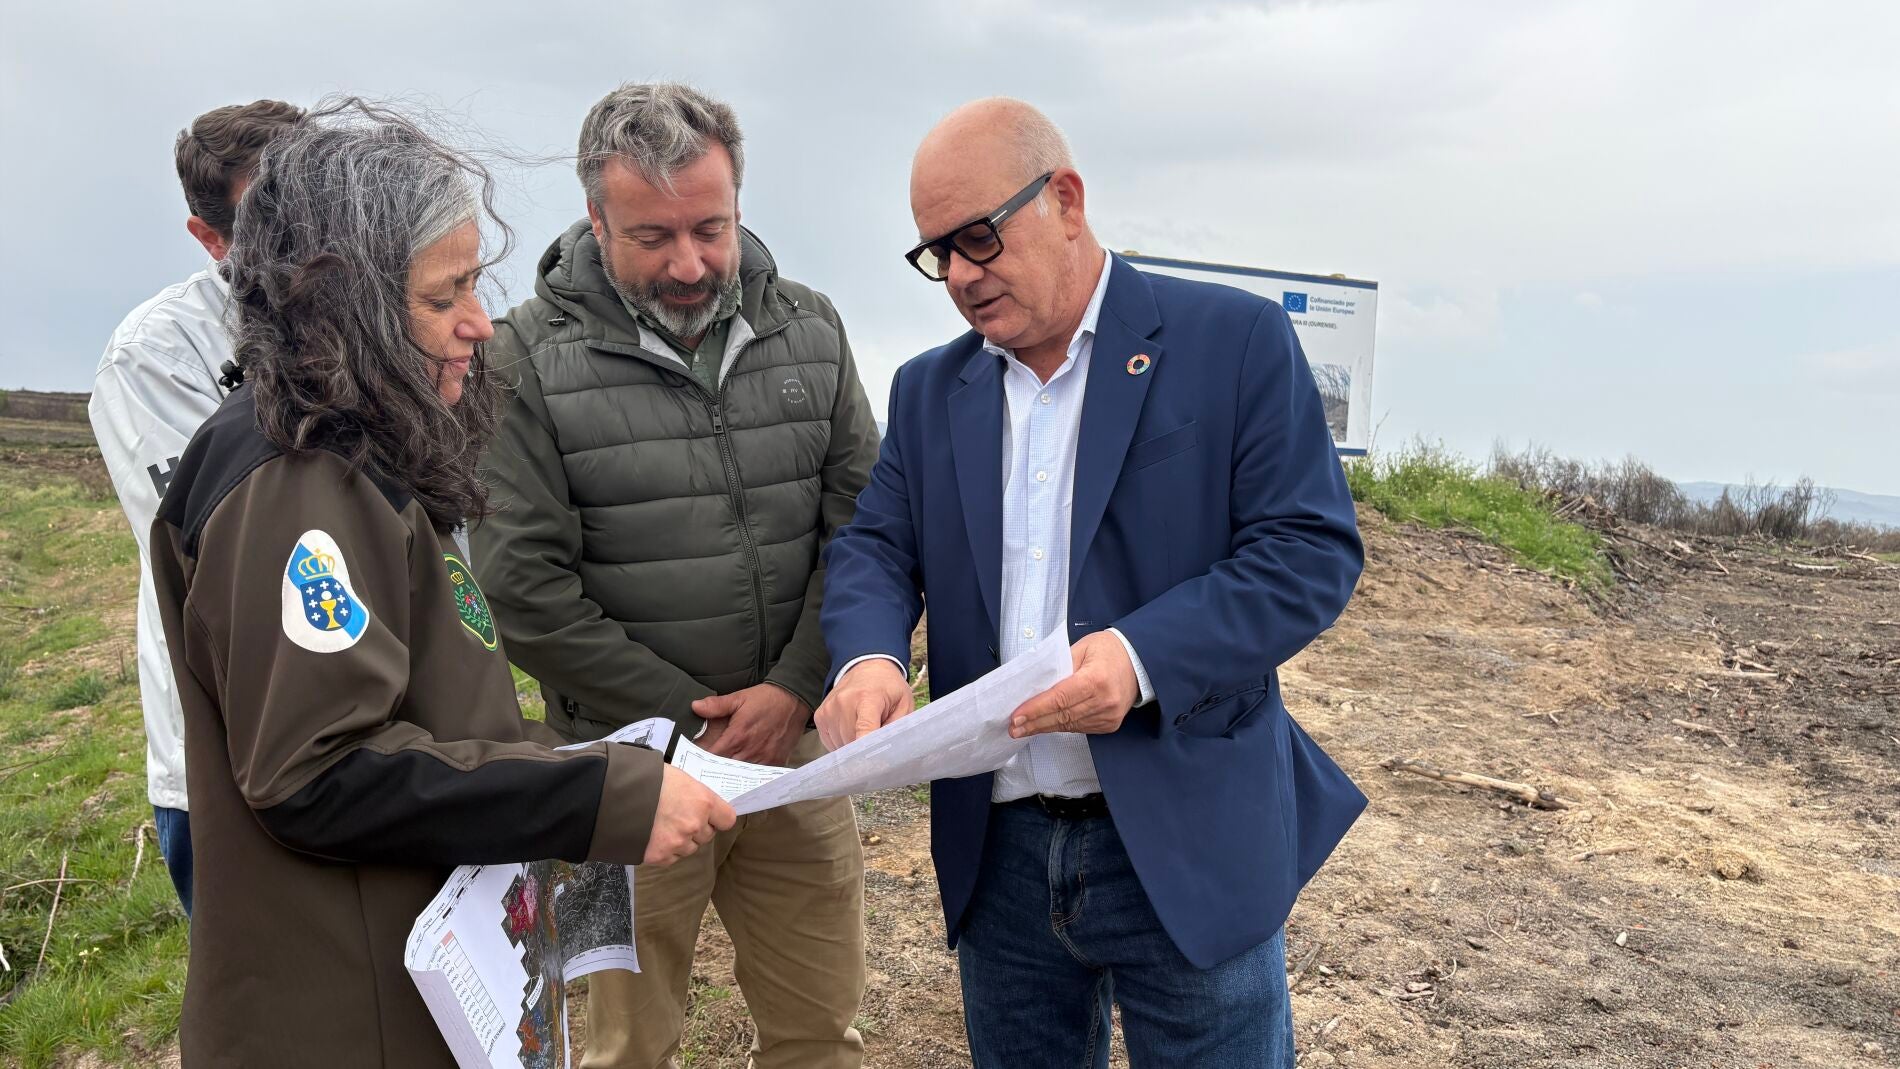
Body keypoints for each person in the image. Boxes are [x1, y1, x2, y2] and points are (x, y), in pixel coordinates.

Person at [147, 99, 735, 1068]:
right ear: (347, 302)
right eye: (444, 295)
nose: (477, 322)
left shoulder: (357, 447)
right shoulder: (296, 481)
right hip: (348, 1022)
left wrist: (570, 762)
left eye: (474, 282)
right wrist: (593, 792)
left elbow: (420, 707)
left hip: (411, 995)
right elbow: (317, 773)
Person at [816, 98, 1367, 1068]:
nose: (959, 275)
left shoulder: (1231, 342)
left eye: (978, 237)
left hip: (1184, 833)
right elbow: (876, 546)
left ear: (1065, 201)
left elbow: (1307, 550)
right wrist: (866, 657)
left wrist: (1141, 657)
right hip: (1001, 854)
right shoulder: (928, 390)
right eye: (937, 253)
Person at [473, 82, 879, 1069]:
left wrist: (795, 688)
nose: (689, 263)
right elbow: (523, 586)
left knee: (820, 1028)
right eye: (652, 237)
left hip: (797, 760)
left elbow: (863, 530)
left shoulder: (811, 329)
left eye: (710, 228)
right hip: (620, 775)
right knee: (623, 1044)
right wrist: (688, 722)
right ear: (595, 218)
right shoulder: (523, 358)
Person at [89, 99, 305, 916]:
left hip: (381, 736)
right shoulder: (153, 355)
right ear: (210, 238)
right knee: (257, 980)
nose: (308, 237)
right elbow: (234, 547)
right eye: (269, 220)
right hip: (226, 752)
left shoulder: (383, 317)